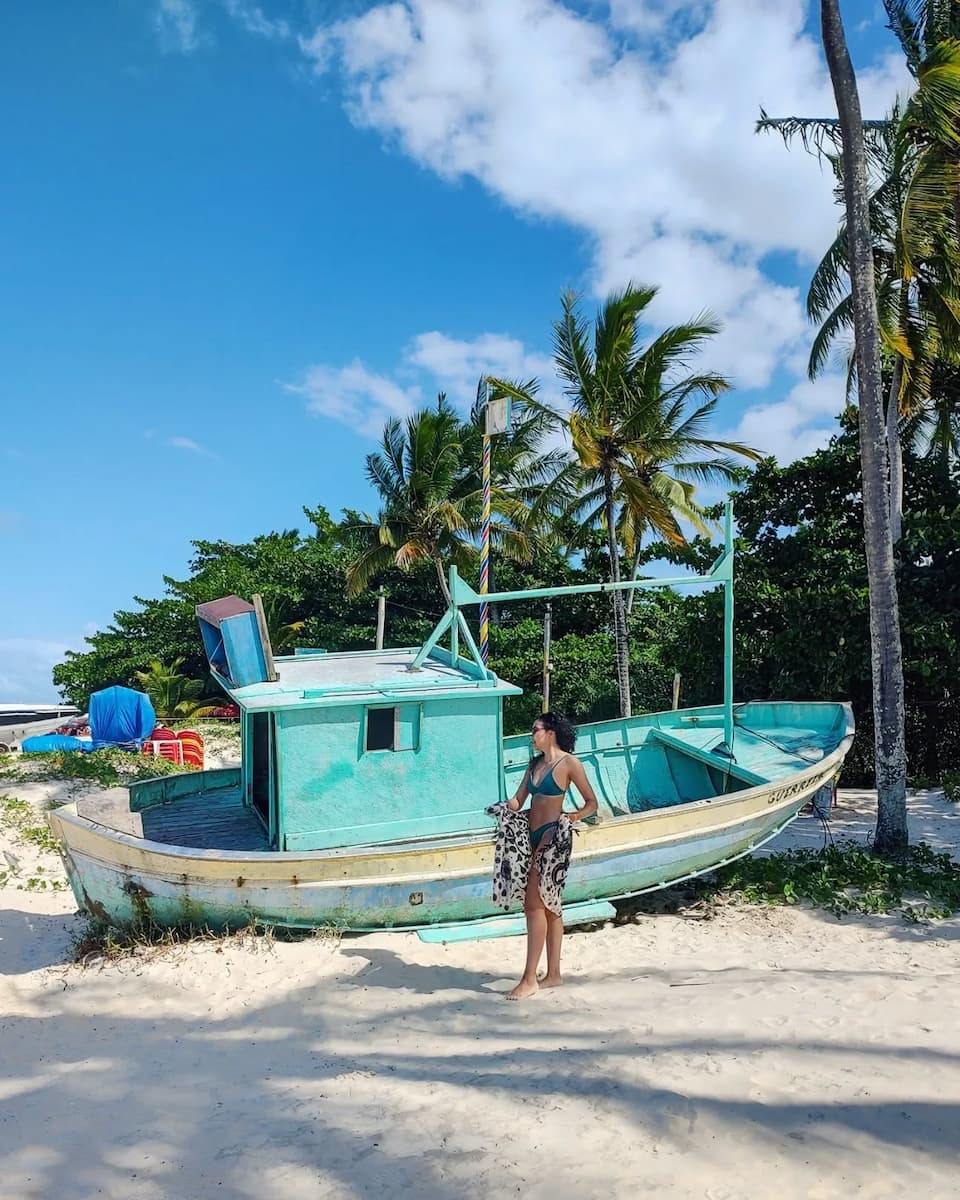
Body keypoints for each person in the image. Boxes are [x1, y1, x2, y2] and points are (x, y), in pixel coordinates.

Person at [505, 711, 598, 1000]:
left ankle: (529, 978)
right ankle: (554, 974)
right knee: (549, 906)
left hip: (553, 838)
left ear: (550, 732)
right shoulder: (534, 764)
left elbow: (591, 803)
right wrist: (508, 806)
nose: (531, 735)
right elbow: (520, 799)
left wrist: (572, 817)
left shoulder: (569, 763)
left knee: (533, 904)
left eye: (535, 730)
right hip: (529, 837)